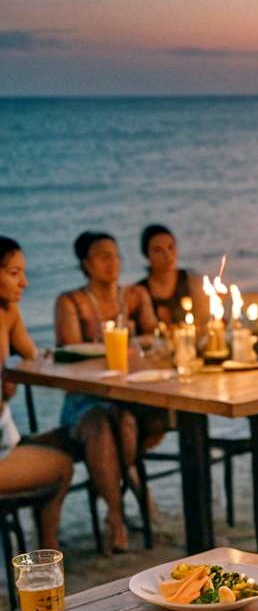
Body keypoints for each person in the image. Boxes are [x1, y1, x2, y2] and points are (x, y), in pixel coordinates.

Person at [54, 232, 159, 552]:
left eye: (115, 255)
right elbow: (70, 351)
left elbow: (155, 338)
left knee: (124, 420)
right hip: (85, 399)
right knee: (101, 424)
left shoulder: (136, 296)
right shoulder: (70, 302)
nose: (112, 263)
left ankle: (123, 497)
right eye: (102, 256)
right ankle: (116, 515)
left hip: (129, 398)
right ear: (86, 263)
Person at [0, 238, 73, 550]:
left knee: (69, 439)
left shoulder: (9, 313)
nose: (25, 282)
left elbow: (35, 357)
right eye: (14, 273)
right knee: (61, 466)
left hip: (6, 438)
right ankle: (47, 559)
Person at [137, 224, 205, 328]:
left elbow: (205, 320)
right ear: (147, 255)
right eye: (158, 250)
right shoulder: (139, 291)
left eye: (170, 247)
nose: (167, 255)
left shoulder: (191, 281)